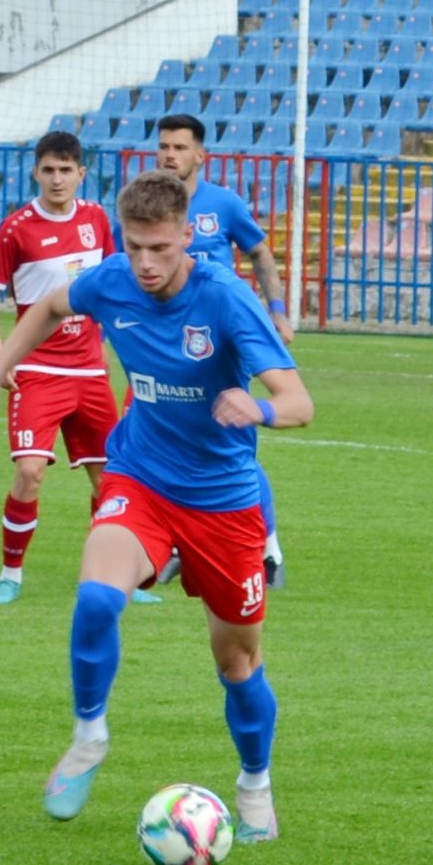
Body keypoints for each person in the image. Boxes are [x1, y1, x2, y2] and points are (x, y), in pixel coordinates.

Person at [0, 170, 314, 841]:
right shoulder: (113, 279)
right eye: (134, 247)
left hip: (223, 502)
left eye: (160, 248)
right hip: (140, 479)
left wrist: (259, 407)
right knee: (96, 597)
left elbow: (300, 401)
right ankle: (89, 735)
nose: (146, 263)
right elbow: (48, 306)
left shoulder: (225, 300)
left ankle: (254, 784)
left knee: (237, 664)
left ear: (188, 236)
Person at [0, 131, 149, 606]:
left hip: (90, 372)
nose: (57, 179)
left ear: (81, 174)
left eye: (66, 170)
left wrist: (121, 345)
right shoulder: (17, 228)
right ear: (36, 172)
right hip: (37, 370)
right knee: (30, 472)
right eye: (48, 170)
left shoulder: (94, 219)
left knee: (110, 478)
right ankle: (10, 574)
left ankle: (112, 576)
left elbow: (115, 284)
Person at [155, 113, 289, 585]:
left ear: (199, 155)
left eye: (179, 147)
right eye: (164, 146)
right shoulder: (150, 207)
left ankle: (268, 550)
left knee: (230, 448)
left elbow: (260, 253)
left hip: (217, 343)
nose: (170, 154)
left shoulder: (224, 205)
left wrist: (276, 309)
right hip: (162, 345)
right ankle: (175, 543)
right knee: (160, 443)